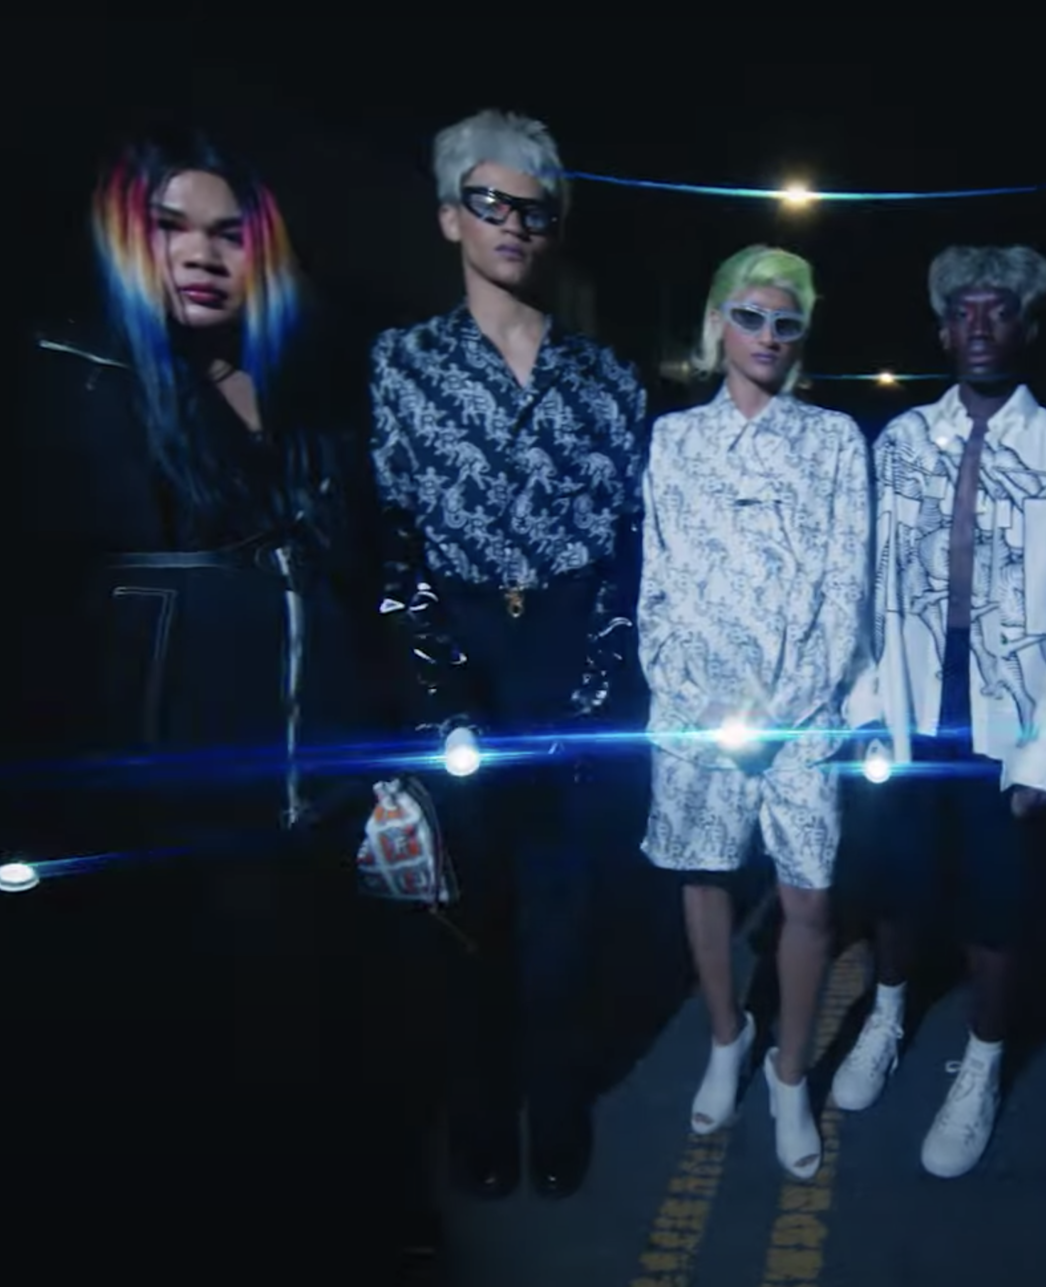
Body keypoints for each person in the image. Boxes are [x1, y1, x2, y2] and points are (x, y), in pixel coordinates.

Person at [2, 127, 383, 1267]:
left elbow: (347, 591)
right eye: (173, 228)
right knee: (191, 1085)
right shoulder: (80, 376)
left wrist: (384, 769)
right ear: (129, 237)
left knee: (312, 1056)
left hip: (310, 803)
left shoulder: (303, 385)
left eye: (229, 233)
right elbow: (38, 623)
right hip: (170, 813)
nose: (203, 255)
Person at [362, 107, 648, 1233]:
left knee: (566, 912)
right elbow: (392, 543)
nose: (514, 223)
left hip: (569, 649)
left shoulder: (606, 376)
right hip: (459, 647)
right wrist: (436, 688)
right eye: (491, 202)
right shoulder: (402, 363)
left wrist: (597, 679)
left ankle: (557, 1106)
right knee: (468, 910)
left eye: (534, 208)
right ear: (450, 217)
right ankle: (480, 1113)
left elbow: (628, 547)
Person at [833, 245, 1046, 1179]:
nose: (980, 326)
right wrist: (868, 704)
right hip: (914, 696)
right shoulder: (903, 440)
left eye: (1000, 310)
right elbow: (869, 586)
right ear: (942, 331)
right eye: (964, 311)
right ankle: (887, 1017)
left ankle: (982, 1065)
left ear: (1028, 326)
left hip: (1009, 710)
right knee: (897, 878)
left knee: (999, 899)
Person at [641, 245, 870, 1181]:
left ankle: (788, 1074)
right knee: (703, 874)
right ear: (717, 324)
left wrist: (785, 705)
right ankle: (727, 1035)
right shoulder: (674, 440)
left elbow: (847, 588)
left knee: (810, 895)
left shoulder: (835, 440)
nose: (767, 337)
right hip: (696, 705)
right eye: (749, 317)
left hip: (800, 712)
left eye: (786, 322)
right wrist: (699, 696)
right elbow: (658, 585)